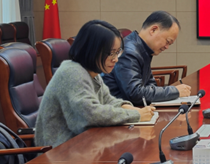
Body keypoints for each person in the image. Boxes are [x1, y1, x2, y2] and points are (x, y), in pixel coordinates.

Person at [35, 20, 155, 148]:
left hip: (83, 144)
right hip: (59, 151)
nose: (116, 59)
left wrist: (132, 109)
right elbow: (91, 114)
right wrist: (136, 115)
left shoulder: (91, 72)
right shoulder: (72, 72)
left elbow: (107, 100)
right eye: (111, 53)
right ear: (92, 50)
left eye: (118, 52)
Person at [103, 11, 191, 105]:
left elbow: (150, 85)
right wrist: (175, 91)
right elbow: (135, 94)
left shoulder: (143, 49)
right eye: (167, 41)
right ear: (153, 30)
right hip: (115, 109)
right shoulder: (129, 52)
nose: (167, 47)